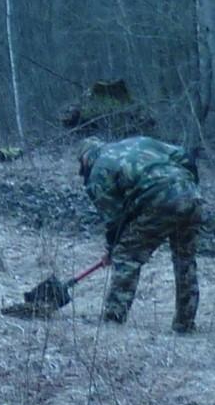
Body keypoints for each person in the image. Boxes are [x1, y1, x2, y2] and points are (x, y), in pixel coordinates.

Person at [81, 134, 203, 332]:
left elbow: (114, 220)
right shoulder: (139, 142)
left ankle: (114, 318)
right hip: (191, 195)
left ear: (86, 158)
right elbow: (185, 157)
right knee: (185, 259)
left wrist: (113, 249)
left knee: (126, 256)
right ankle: (185, 324)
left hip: (160, 201)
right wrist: (190, 188)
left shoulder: (98, 170)